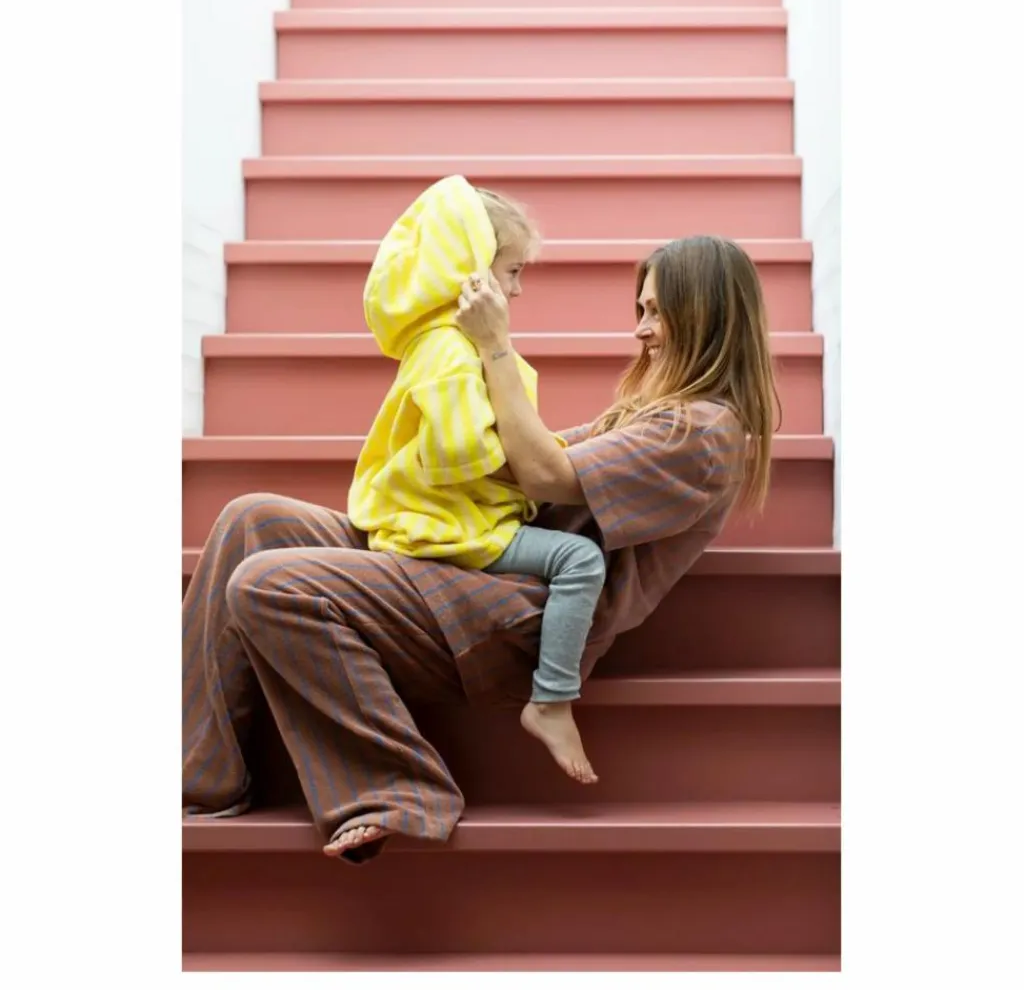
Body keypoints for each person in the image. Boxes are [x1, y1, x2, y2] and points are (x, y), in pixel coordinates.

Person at [182, 234, 779, 865]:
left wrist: (495, 345)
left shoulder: (700, 435)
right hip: (483, 560)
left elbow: (542, 473)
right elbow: (523, 456)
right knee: (252, 520)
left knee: (267, 583)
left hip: (522, 615)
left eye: (656, 311)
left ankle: (400, 789)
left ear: (704, 314)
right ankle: (200, 775)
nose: (641, 329)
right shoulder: (652, 413)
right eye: (641, 310)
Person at [348, 175, 605, 784]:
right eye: (511, 272)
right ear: (469, 270)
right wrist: (530, 469)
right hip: (447, 523)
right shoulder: (450, 351)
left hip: (451, 511)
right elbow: (458, 453)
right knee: (581, 560)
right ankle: (551, 699)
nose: (516, 290)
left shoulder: (447, 343)